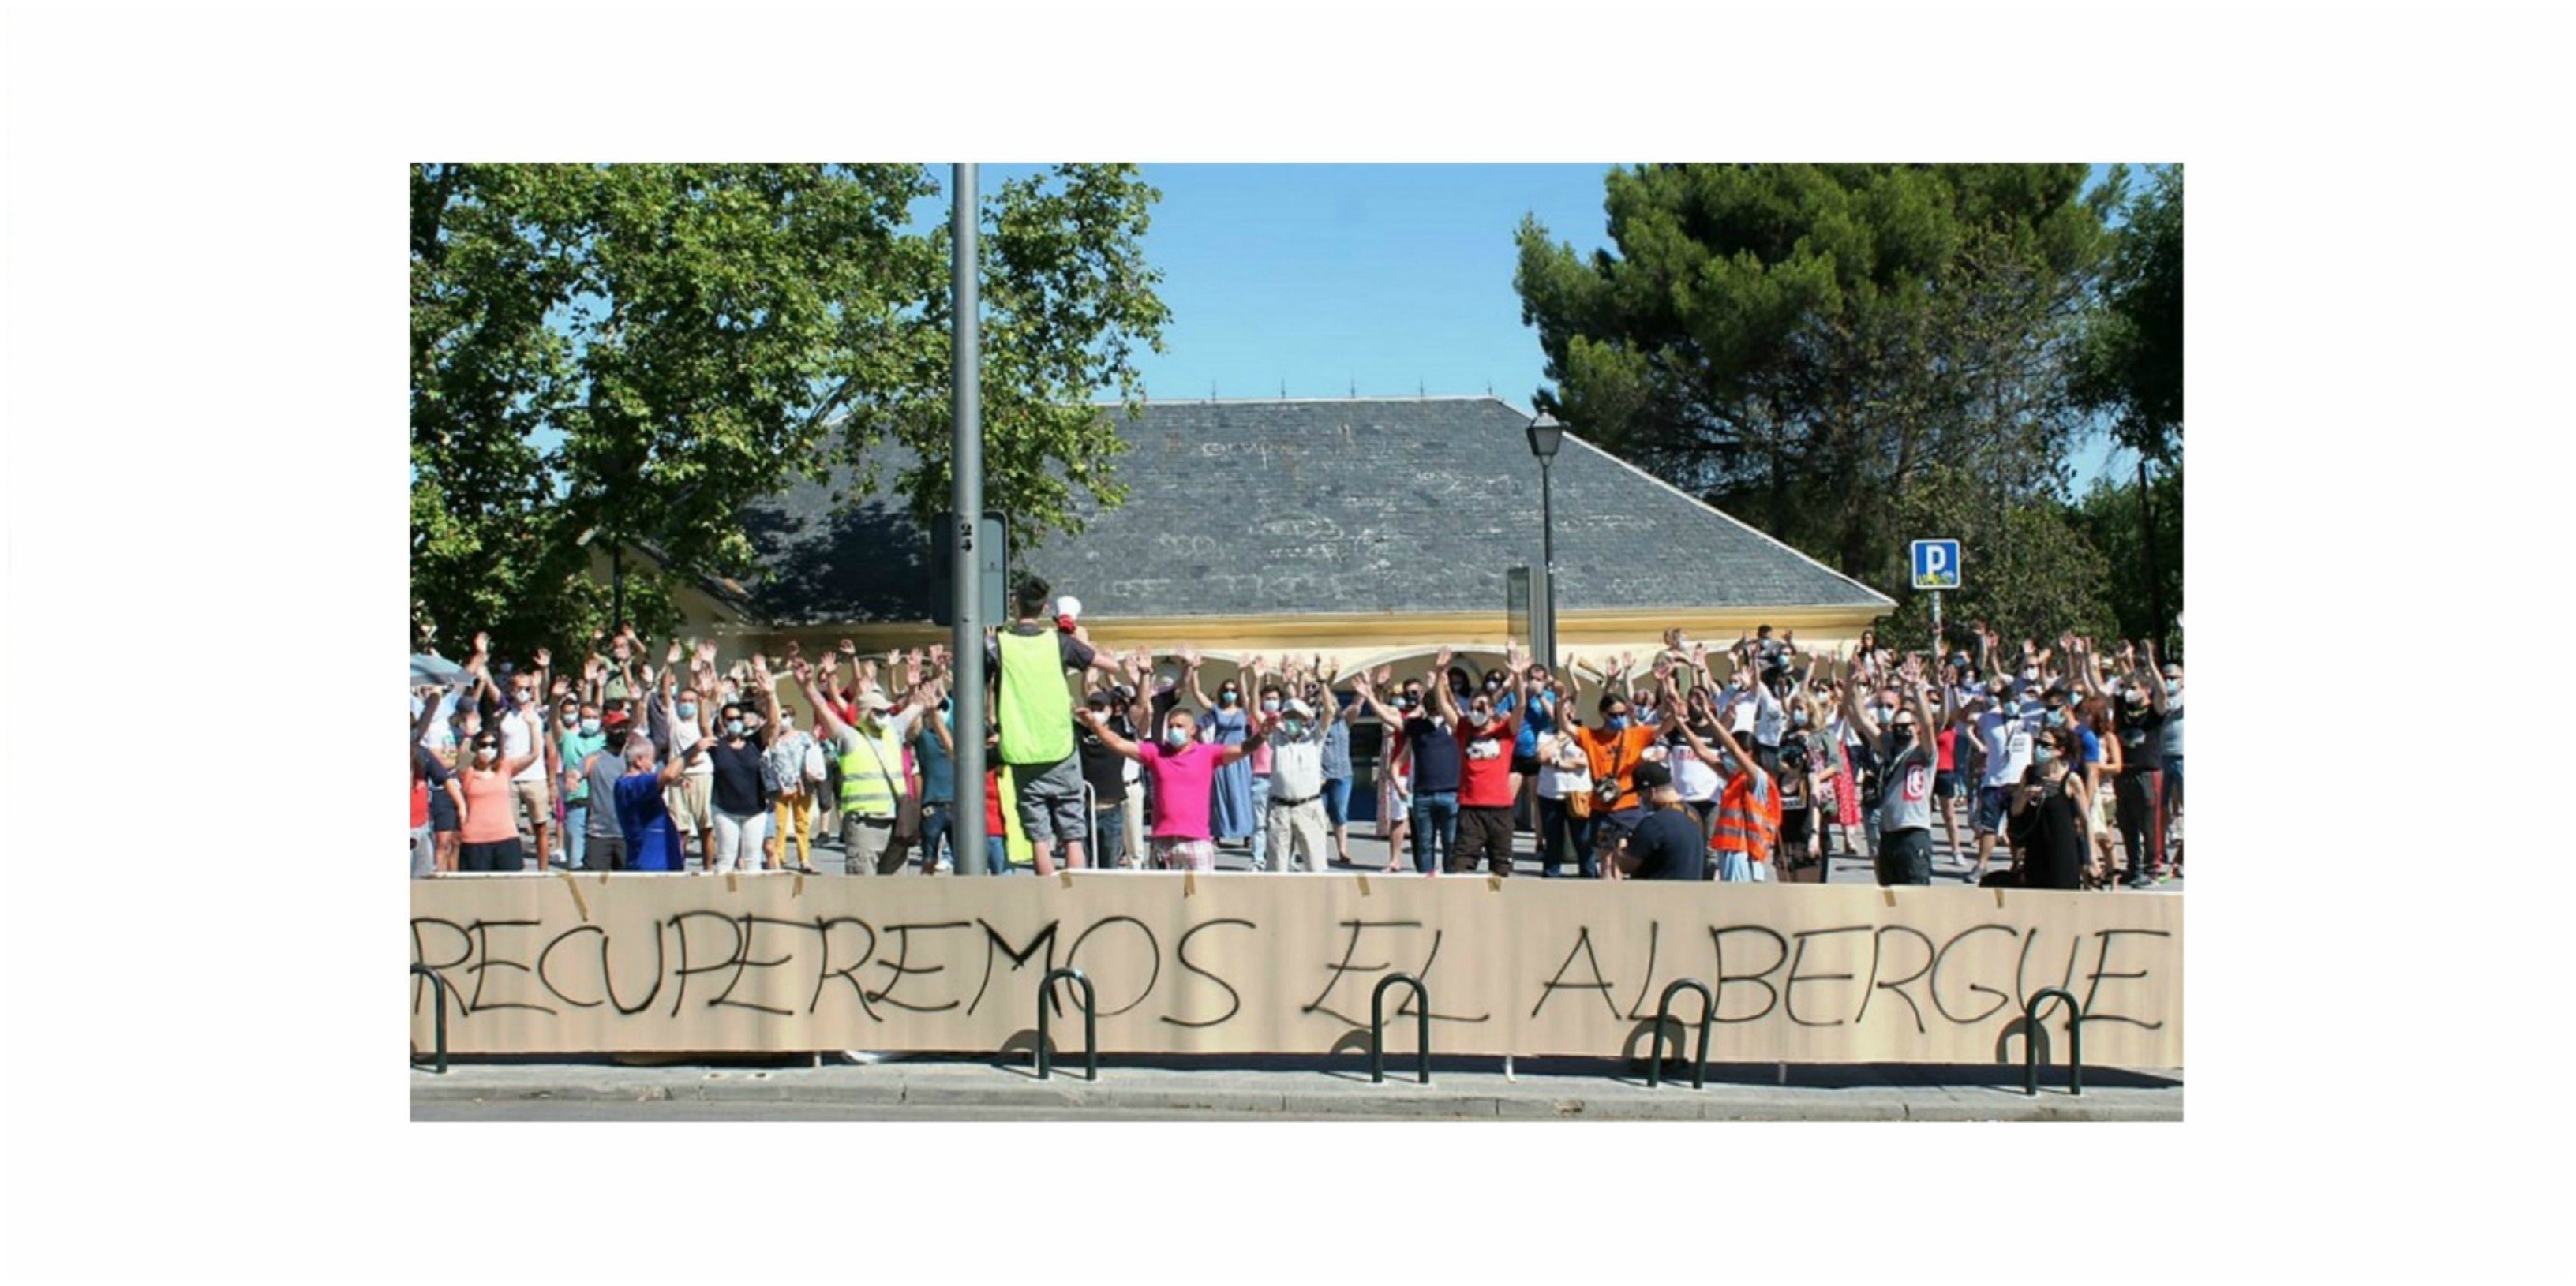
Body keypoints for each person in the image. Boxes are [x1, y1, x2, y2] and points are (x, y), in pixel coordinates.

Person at [990, 576, 1125, 876]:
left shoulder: (999, 643)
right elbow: (1111, 666)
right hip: (1060, 746)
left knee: (1038, 833)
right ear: (1044, 608)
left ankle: (1046, 892)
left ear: (1014, 603)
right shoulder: (1058, 642)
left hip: (1022, 748)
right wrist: (1078, 640)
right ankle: (1072, 893)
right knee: (1072, 830)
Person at [1081, 694, 1259, 872]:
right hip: (1162, 842)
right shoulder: (1156, 753)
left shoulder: (1208, 754)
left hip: (1196, 841)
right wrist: (1095, 725)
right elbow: (1118, 743)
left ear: (1193, 730)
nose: (1175, 730)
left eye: (1180, 726)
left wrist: (1263, 734)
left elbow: (1243, 749)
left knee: (1201, 898)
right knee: (1160, 899)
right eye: (1171, 726)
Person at [796, 658, 927, 876]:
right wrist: (807, 685)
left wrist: (920, 685)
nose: (885, 716)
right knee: (863, 887)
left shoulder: (893, 730)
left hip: (897, 821)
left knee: (896, 888)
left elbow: (918, 706)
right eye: (879, 712)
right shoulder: (849, 737)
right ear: (865, 714)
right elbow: (821, 707)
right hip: (864, 823)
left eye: (886, 711)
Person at [1352, 654, 1464, 875]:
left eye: (1436, 701)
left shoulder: (1455, 726)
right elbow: (1387, 716)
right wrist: (1370, 697)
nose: (1434, 705)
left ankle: (1451, 882)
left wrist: (1442, 675)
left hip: (1450, 794)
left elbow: (1449, 704)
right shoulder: (1416, 726)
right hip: (1422, 795)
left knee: (1452, 844)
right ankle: (1425, 881)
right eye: (1430, 701)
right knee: (1424, 844)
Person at [1844, 654, 1941, 886]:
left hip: (1914, 832)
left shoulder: (1925, 753)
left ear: (1914, 727)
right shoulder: (1889, 748)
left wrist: (1917, 690)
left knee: (1915, 893)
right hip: (1888, 832)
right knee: (1888, 892)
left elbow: (1928, 725)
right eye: (1896, 727)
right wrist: (1853, 685)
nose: (1901, 731)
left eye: (1906, 726)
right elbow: (1862, 719)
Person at [1571, 664, 1664, 876]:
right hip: (1602, 809)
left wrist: (1664, 686)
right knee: (1605, 857)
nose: (1619, 719)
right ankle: (1605, 895)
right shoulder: (1591, 737)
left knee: (1623, 854)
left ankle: (1620, 895)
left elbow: (1666, 725)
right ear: (1603, 714)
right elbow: (1566, 727)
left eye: (1623, 714)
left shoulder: (1635, 735)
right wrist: (1560, 704)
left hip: (1628, 807)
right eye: (1614, 715)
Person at [1677, 701, 1780, 883]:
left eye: (1740, 754)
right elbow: (1702, 753)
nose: (1731, 757)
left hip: (1745, 852)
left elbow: (1733, 747)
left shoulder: (1758, 779)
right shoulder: (1734, 778)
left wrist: (1709, 717)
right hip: (1728, 848)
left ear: (1752, 755)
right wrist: (1679, 724)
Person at [1443, 660, 1525, 876]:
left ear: (1491, 709)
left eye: (1480, 708)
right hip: (1470, 808)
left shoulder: (1506, 731)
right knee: (1461, 864)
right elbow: (1444, 707)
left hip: (1500, 809)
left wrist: (1518, 679)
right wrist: (1440, 673)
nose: (1475, 712)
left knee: (1501, 866)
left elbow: (1520, 707)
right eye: (1472, 708)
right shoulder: (1464, 730)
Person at [455, 705, 545, 872]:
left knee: (511, 890)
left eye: (493, 745)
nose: (488, 749)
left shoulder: (505, 768)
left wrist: (533, 727)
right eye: (483, 745)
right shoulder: (469, 773)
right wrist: (469, 735)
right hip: (475, 840)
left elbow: (533, 754)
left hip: (506, 837)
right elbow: (461, 761)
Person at [2007, 723, 2095, 890]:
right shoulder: (2030, 774)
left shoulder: (2071, 779)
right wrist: (2024, 796)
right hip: (2036, 850)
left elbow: (2086, 821)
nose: (2039, 748)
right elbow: (2015, 811)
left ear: (2060, 750)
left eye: (2045, 745)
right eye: (2038, 742)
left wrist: (2091, 858)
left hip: (2062, 850)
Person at [704, 679, 777, 875]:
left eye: (738, 718)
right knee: (726, 859)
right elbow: (703, 725)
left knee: (753, 861)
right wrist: (705, 698)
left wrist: (770, 696)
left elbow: (773, 725)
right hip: (724, 809)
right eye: (730, 719)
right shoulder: (717, 746)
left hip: (755, 809)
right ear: (723, 721)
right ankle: (720, 903)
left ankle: (753, 904)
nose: (734, 722)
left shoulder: (754, 743)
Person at [1258, 695, 1335, 873]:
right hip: (1280, 809)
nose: (1292, 721)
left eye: (1296, 717)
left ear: (1304, 720)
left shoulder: (1315, 738)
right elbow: (1256, 712)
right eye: (1288, 717)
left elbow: (1329, 711)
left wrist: (1323, 684)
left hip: (1308, 807)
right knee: (1277, 867)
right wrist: (1255, 681)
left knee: (1315, 866)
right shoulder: (1276, 738)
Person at [1533, 676, 1597, 878]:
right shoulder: (1545, 734)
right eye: (1560, 709)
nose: (1564, 713)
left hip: (1577, 792)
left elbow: (1584, 762)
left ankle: (1589, 875)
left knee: (1583, 839)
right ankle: (1552, 876)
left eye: (1567, 709)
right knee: (1554, 840)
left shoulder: (1583, 734)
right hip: (1551, 794)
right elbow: (1542, 757)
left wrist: (1559, 762)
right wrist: (1560, 741)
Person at [611, 734, 693, 873]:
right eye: (652, 760)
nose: (653, 766)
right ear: (639, 760)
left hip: (664, 865)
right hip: (651, 867)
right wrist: (693, 750)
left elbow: (661, 782)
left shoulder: (631, 785)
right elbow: (667, 775)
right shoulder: (632, 784)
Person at [1609, 761, 1703, 880]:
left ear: (1651, 792)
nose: (1640, 799)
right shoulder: (1693, 814)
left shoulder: (1654, 823)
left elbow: (1626, 866)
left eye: (1640, 794)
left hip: (1659, 895)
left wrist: (1620, 843)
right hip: (1691, 893)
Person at [761, 695, 821, 874]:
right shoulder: (773, 740)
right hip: (779, 788)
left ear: (793, 717)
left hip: (801, 787)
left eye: (785, 715)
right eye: (780, 716)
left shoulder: (803, 738)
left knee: (802, 824)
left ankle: (805, 859)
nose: (782, 719)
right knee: (779, 824)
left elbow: (813, 759)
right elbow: (767, 762)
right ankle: (778, 857)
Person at [1076, 686, 1135, 869]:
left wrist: (1143, 675)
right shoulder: (1077, 731)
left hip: (1111, 810)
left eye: (1100, 708)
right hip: (1083, 809)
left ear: (1111, 710)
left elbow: (1141, 709)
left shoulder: (1119, 729)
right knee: (1082, 866)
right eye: (1092, 707)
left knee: (1109, 867)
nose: (1095, 713)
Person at [554, 693, 605, 873]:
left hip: (601, 809)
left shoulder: (605, 741)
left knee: (599, 863)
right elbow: (555, 723)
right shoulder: (569, 739)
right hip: (577, 805)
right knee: (576, 860)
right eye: (586, 717)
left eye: (594, 717)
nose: (590, 721)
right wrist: (554, 700)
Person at [577, 714, 631, 871]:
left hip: (628, 834)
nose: (620, 731)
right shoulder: (594, 758)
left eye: (624, 727)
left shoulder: (634, 758)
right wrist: (573, 778)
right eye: (616, 727)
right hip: (599, 834)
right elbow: (577, 772)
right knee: (595, 886)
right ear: (606, 730)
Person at [1320, 682, 1357, 866]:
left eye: (1334, 703)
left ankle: (1342, 849)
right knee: (1319, 815)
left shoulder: (1344, 722)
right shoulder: (1318, 724)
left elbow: (1356, 707)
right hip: (1321, 775)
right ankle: (1320, 851)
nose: (1331, 706)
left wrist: (1365, 691)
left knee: (1339, 812)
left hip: (1343, 775)